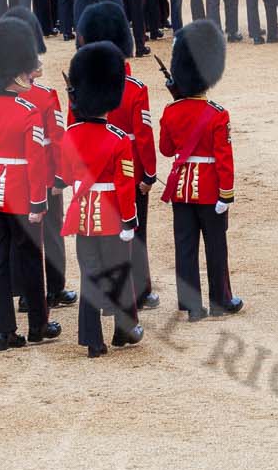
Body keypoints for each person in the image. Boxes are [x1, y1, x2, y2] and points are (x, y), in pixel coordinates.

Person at [0, 16, 60, 351]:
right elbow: (35, 161)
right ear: (17, 72)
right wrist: (38, 202)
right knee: (30, 258)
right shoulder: (26, 111)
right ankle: (38, 324)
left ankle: (3, 331)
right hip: (21, 195)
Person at [61, 40, 144, 356]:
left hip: (83, 215)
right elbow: (124, 185)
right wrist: (129, 220)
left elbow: (67, 175)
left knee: (90, 276)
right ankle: (124, 330)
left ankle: (92, 341)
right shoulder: (118, 139)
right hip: (111, 214)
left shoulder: (71, 135)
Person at [159, 19, 240, 319]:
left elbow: (166, 150)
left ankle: (192, 306)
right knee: (216, 248)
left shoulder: (170, 111)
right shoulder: (217, 114)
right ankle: (221, 301)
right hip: (209, 190)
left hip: (181, 189)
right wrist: (226, 194)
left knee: (185, 248)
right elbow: (224, 159)